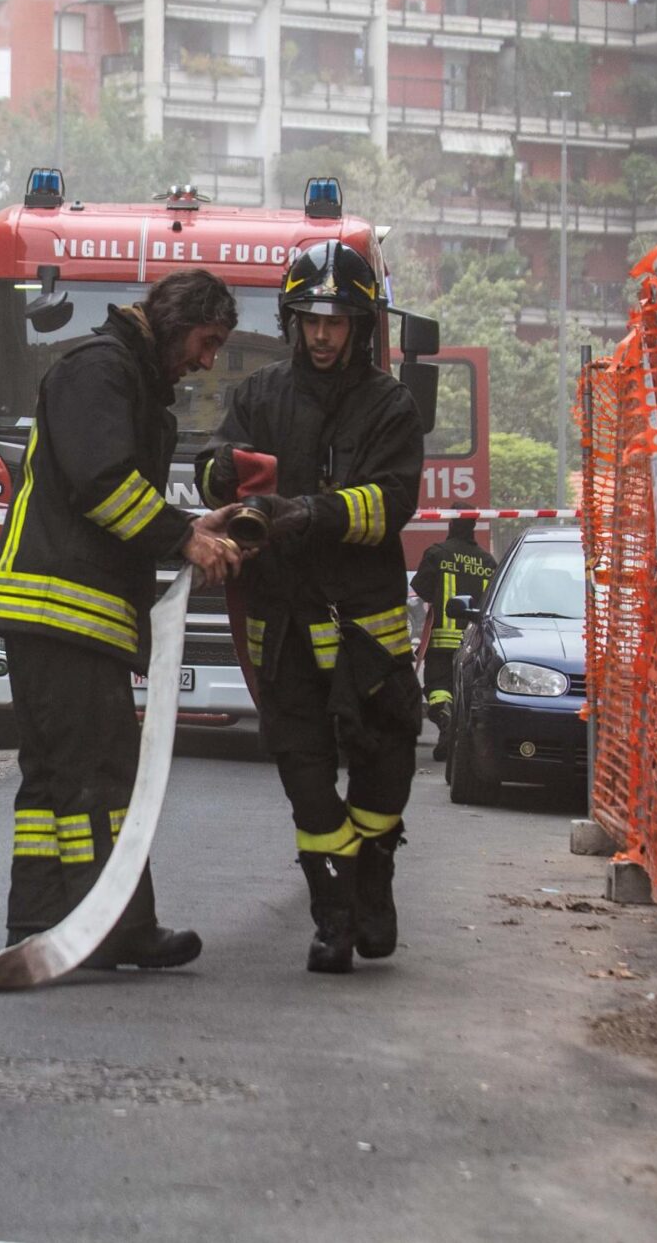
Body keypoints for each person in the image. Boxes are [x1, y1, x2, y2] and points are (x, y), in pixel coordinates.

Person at [0, 267, 247, 968]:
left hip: (53, 614)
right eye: (207, 341)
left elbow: (105, 491)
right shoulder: (101, 370)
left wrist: (188, 522)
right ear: (177, 320)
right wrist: (181, 535)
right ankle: (109, 928)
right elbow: (103, 483)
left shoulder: (118, 374)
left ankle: (36, 923)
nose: (207, 361)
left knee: (53, 785)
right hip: (66, 613)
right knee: (100, 776)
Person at [199, 241, 425, 974]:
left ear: (360, 325)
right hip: (285, 623)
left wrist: (310, 513)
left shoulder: (390, 404)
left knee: (386, 767)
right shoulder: (261, 394)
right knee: (304, 776)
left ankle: (373, 880)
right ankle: (333, 915)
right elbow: (214, 466)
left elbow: (391, 504)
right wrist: (220, 471)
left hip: (367, 627)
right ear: (293, 319)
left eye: (337, 320)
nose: (323, 334)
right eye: (311, 319)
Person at [411, 515, 499, 762]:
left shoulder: (437, 553)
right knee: (465, 691)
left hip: (441, 641)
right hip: (474, 642)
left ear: (451, 525)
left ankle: (445, 721)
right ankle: (448, 741)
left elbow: (421, 589)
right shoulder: (488, 561)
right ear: (473, 528)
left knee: (439, 688)